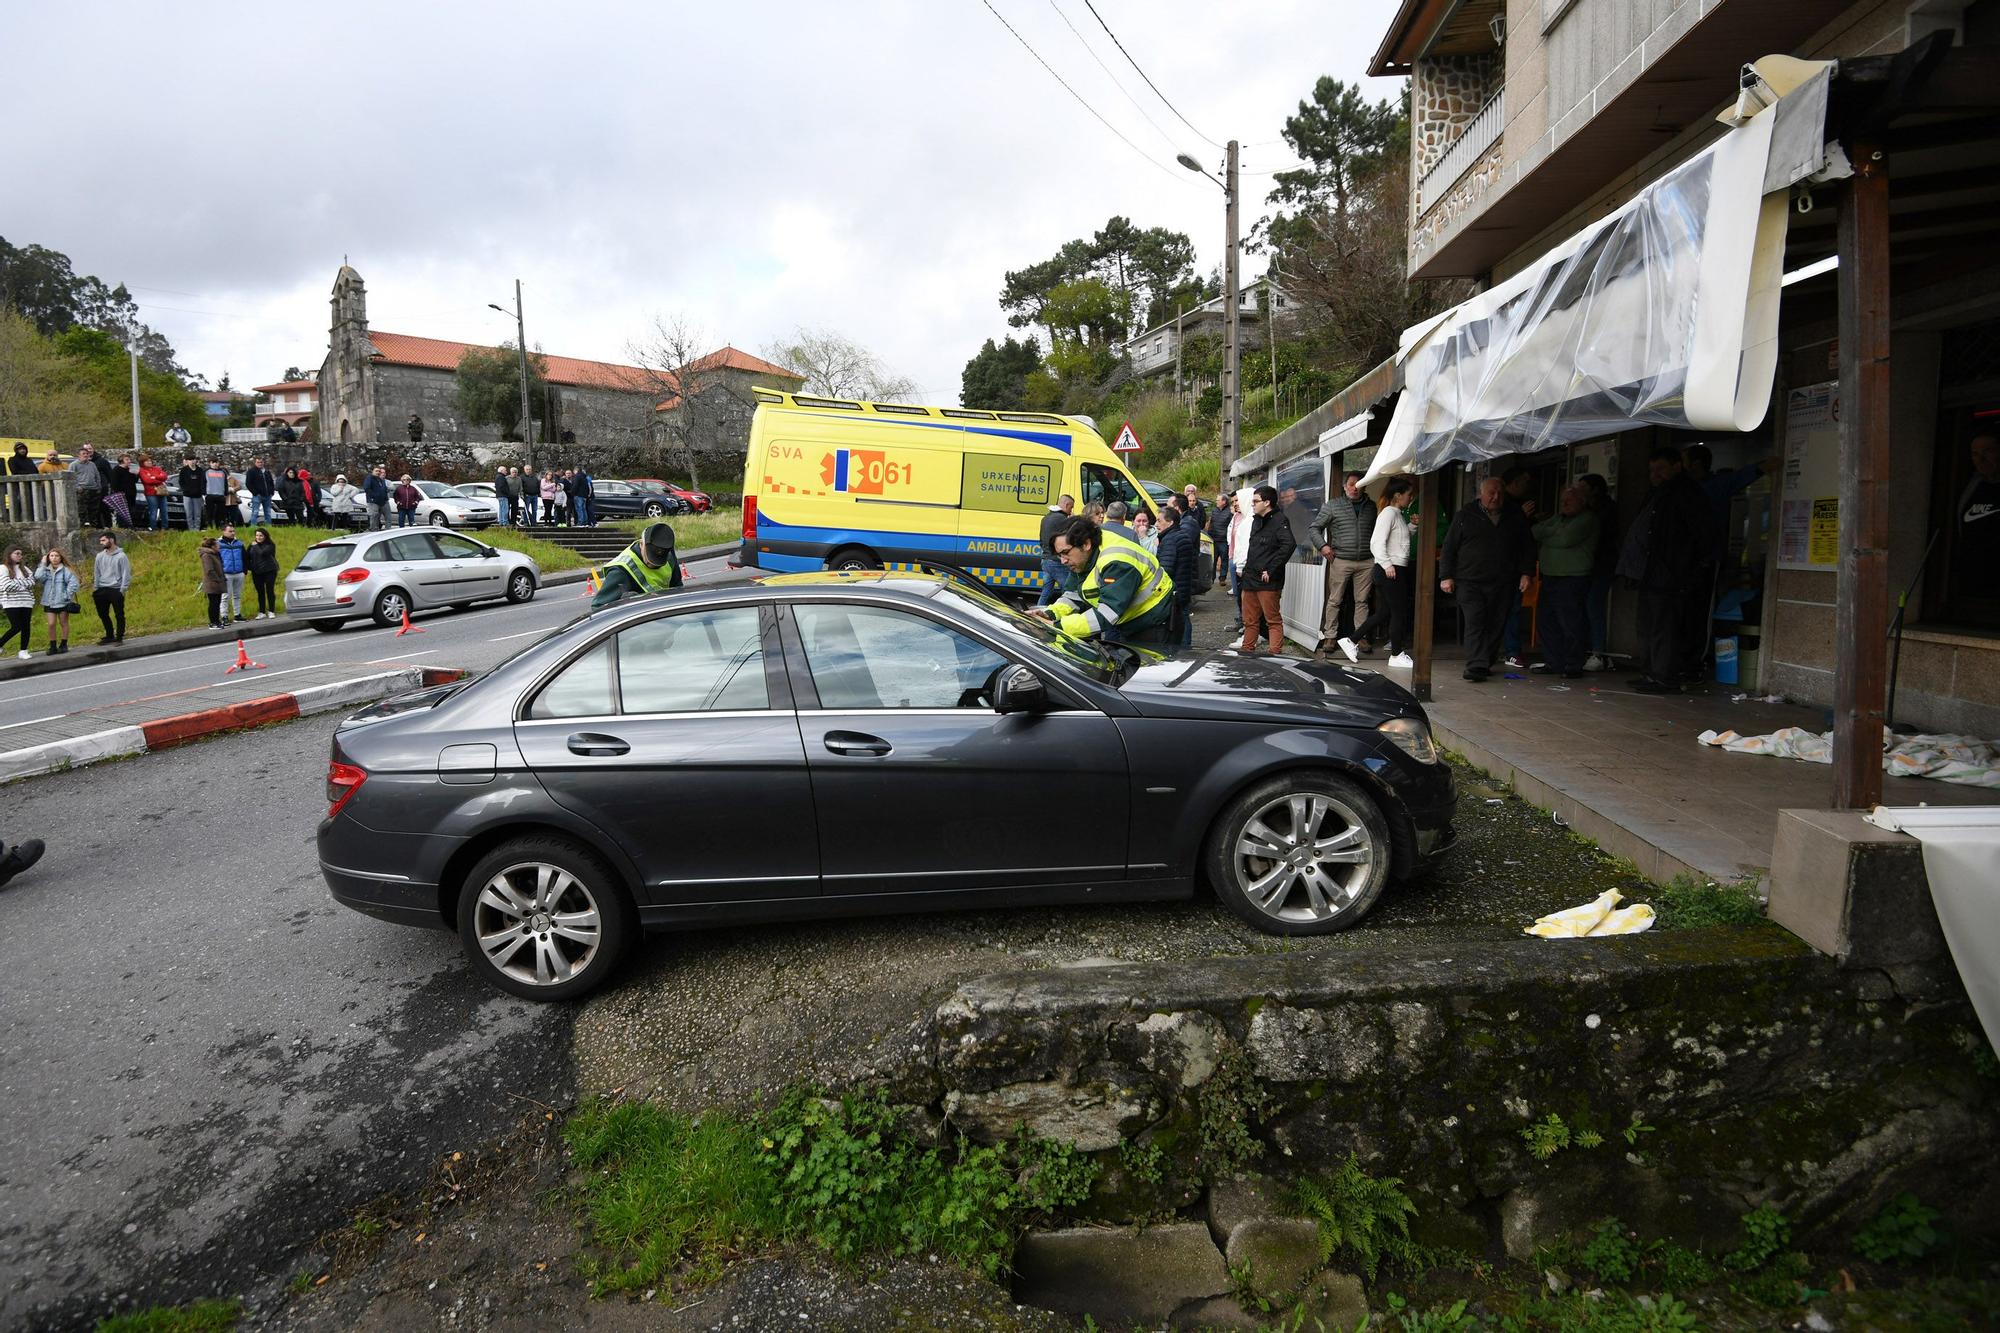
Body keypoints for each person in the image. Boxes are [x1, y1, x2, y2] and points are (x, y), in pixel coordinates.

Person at [1616, 444, 1714, 694]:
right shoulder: (1657, 493)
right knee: (1647, 626)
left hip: (1671, 575)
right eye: (1652, 470)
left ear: (1676, 466)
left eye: (1661, 469)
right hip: (1650, 572)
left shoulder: (1687, 493)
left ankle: (1665, 677)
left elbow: (1701, 537)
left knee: (1664, 628)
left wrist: (1690, 571)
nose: (1655, 475)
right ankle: (1650, 673)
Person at [1684, 443, 1776, 677]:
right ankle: (1688, 656)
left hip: (1707, 559)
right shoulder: (1688, 488)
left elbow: (1746, 475)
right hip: (1687, 560)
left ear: (1694, 464)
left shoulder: (1715, 486)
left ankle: (1698, 659)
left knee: (1703, 610)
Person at [1439, 476, 1534, 682]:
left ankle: (1485, 660)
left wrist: (1527, 572)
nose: (1496, 497)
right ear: (1481, 494)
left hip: (1504, 580)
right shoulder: (1465, 515)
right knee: (1475, 620)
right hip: (1469, 580)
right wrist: (1446, 576)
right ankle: (1476, 665)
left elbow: (1527, 546)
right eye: (1491, 493)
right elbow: (1449, 547)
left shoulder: (1514, 514)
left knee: (1497, 622)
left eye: (1499, 492)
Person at [1034, 515, 1177, 647]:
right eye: (1059, 555)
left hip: (1155, 624)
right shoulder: (1083, 557)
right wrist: (1049, 614)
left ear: (1086, 544)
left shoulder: (1116, 561)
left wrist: (1056, 626)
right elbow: (1073, 595)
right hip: (1134, 622)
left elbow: (1107, 614)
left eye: (1065, 553)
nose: (1063, 561)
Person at [1530, 485, 1599, 679]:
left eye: (1570, 500)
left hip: (1573, 577)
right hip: (1550, 576)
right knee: (1546, 621)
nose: (1564, 504)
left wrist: (1549, 533)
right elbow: (1535, 531)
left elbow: (1565, 539)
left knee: (1571, 622)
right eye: (1562, 501)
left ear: (1582, 501)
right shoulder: (1559, 518)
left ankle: (1573, 663)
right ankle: (1554, 661)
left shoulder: (1587, 519)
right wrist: (1552, 530)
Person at [1351, 476, 1416, 668]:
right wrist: (1387, 565)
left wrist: (1412, 526)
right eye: (1408, 494)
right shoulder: (1389, 513)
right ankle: (1396, 654)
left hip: (1392, 568)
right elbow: (1376, 542)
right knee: (1398, 612)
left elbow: (1398, 541)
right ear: (1398, 495)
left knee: (1385, 612)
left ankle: (1350, 640)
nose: (1410, 498)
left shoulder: (1396, 513)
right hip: (1390, 569)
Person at [1312, 471, 1376, 659]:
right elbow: (1314, 528)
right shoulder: (1333, 506)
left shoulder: (1371, 507)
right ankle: (1330, 637)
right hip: (1341, 559)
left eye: (1358, 484)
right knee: (1335, 600)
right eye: (1351, 484)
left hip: (1366, 560)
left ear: (1364, 486)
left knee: (1362, 601)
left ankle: (1360, 636)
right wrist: (1323, 546)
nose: (1354, 488)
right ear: (1344, 486)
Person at [1239, 485, 1291, 654]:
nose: (1252, 504)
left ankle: (1275, 654)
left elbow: (1289, 545)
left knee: (1272, 620)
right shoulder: (1256, 520)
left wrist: (1271, 569)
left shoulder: (1280, 520)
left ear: (1267, 502)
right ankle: (1247, 651)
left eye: (1256, 501)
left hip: (1268, 580)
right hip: (1250, 578)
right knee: (1249, 620)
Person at [1498, 465, 1539, 668]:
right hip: (1497, 569)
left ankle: (1511, 651)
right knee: (1503, 610)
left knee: (1512, 609)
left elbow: (1527, 544)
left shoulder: (1516, 508)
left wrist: (1526, 572)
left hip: (1513, 570)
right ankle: (1506, 650)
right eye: (1524, 482)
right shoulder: (1507, 509)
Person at [590, 521, 684, 609]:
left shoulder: (669, 556)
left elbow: (678, 588)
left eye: (659, 561)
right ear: (641, 544)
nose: (653, 565)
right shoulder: (621, 570)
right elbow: (598, 607)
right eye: (649, 560)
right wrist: (627, 604)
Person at [1578, 473, 1618, 672]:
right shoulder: (1587, 511)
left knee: (1594, 606)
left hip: (1601, 566)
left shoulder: (1605, 511)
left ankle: (1598, 652)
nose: (1579, 491)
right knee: (1585, 606)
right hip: (1586, 566)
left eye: (1583, 487)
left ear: (1595, 490)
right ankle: (1588, 649)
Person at [1957, 432, 2000, 597]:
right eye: (1975, 453)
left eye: (1988, 451)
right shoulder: (1971, 486)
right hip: (1971, 579)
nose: (1980, 459)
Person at [1154, 502, 1197, 648]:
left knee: (1180, 622)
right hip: (1182, 588)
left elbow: (1166, 569)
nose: (1156, 524)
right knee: (1183, 618)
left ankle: (1184, 652)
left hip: (1175, 590)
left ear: (1170, 522)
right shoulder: (1179, 536)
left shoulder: (1171, 539)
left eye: (1159, 521)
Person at [35, 547, 79, 656]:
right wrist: (43, 563)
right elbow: (38, 577)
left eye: (57, 556)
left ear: (61, 557)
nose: (54, 558)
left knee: (63, 623)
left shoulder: (66, 570)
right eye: (51, 556)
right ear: (48, 558)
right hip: (49, 602)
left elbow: (74, 584)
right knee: (51, 624)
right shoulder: (45, 570)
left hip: (63, 601)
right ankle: (53, 646)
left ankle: (63, 645)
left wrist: (66, 595)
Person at [91, 531, 131, 643]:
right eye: (100, 541)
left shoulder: (121, 556)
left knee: (119, 614)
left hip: (116, 589)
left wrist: (122, 590)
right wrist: (96, 588)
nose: (101, 543)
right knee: (103, 614)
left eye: (103, 540)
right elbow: (96, 572)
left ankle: (119, 636)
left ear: (111, 540)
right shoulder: (99, 556)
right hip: (102, 589)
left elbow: (126, 574)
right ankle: (109, 635)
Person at [1037, 493, 1075, 607]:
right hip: (1056, 561)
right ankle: (1067, 612)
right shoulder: (1062, 519)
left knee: (1046, 592)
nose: (1071, 511)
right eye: (1071, 507)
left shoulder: (1046, 518)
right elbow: (1070, 538)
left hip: (1045, 559)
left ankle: (1036, 611)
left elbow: (1041, 539)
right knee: (1069, 590)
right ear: (1067, 504)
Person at [1, 547, 35, 658]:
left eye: (21, 554)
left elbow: (32, 582)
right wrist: (23, 585)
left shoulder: (25, 569)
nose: (20, 556)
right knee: (16, 626)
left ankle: (23, 651)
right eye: (17, 553)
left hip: (26, 602)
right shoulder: (3, 568)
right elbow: (7, 585)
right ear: (9, 554)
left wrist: (18, 584)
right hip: (11, 603)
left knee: (26, 627)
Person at [246, 526, 280, 619]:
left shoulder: (270, 545)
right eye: (257, 535)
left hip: (270, 570)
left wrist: (255, 545)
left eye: (261, 535)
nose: (258, 537)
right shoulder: (251, 545)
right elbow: (246, 557)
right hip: (257, 572)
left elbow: (262, 553)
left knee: (269, 590)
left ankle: (271, 610)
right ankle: (262, 612)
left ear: (265, 536)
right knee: (260, 592)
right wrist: (250, 567)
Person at [70, 444, 108, 527]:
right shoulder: (74, 465)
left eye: (87, 454)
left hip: (94, 489)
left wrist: (98, 486)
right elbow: (71, 477)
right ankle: (83, 527)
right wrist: (78, 487)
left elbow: (97, 475)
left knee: (94, 510)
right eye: (84, 454)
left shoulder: (92, 464)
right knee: (82, 510)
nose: (86, 455)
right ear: (79, 455)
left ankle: (93, 526)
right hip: (82, 490)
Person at [217, 523, 248, 622]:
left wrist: (244, 570)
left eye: (233, 531)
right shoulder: (218, 544)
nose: (233, 533)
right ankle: (224, 616)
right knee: (225, 596)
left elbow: (245, 557)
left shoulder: (239, 543)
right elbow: (216, 559)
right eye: (230, 531)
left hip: (239, 572)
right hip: (226, 573)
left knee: (237, 595)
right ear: (224, 531)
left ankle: (237, 615)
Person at [1280, 485, 1316, 564]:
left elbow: (1309, 523)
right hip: (1294, 542)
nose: (1288, 498)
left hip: (1299, 542)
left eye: (1291, 496)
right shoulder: (1287, 508)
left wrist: (1302, 539)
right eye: (1287, 496)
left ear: (1295, 496)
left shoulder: (1299, 508)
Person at [196, 537, 226, 629]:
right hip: (212, 583)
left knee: (217, 603)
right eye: (217, 545)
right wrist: (217, 579)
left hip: (217, 582)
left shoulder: (215, 554)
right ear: (212, 546)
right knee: (213, 603)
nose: (219, 547)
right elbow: (209, 570)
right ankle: (213, 622)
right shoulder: (207, 555)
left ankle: (217, 621)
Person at [105, 455, 138, 528]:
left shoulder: (129, 470)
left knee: (131, 512)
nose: (129, 461)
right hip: (122, 495)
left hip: (131, 494)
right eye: (127, 459)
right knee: (122, 513)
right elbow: (114, 484)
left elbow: (134, 481)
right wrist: (120, 493)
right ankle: (122, 527)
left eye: (129, 459)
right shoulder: (116, 470)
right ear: (121, 461)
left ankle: (130, 527)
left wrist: (136, 475)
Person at [1208, 491, 1233, 587]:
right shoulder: (1214, 510)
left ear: (1224, 501)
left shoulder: (1229, 512)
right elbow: (1211, 523)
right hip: (1213, 540)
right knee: (1213, 561)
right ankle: (1212, 578)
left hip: (1224, 541)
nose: (1216, 501)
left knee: (1224, 560)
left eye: (1218, 500)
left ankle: (1222, 578)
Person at [138, 455, 169, 529]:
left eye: (150, 460)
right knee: (153, 511)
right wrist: (159, 479)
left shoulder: (156, 468)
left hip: (161, 491)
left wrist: (154, 477)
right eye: (147, 461)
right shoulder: (142, 470)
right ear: (143, 463)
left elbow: (164, 476)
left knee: (164, 510)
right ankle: (153, 527)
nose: (149, 462)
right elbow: (147, 480)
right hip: (150, 493)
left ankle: (165, 527)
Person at [244, 456, 275, 525]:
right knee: (255, 512)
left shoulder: (266, 472)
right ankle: (253, 527)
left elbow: (271, 482)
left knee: (268, 512)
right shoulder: (251, 471)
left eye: (261, 462)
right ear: (255, 463)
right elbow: (248, 483)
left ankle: (269, 527)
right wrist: (255, 493)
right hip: (257, 496)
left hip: (267, 495)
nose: (260, 464)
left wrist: (271, 492)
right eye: (258, 462)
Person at [176, 456, 204, 530]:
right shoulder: (184, 470)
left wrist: (201, 490)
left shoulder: (200, 470)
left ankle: (197, 529)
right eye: (190, 460)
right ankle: (191, 529)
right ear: (187, 461)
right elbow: (181, 482)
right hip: (187, 495)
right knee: (189, 513)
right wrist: (185, 490)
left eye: (193, 460)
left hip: (198, 495)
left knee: (197, 514)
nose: (192, 461)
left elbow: (203, 482)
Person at [202, 457, 230, 528]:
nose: (215, 464)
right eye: (213, 462)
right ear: (210, 463)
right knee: (209, 512)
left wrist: (226, 493)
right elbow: (203, 483)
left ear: (218, 463)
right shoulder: (206, 472)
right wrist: (204, 493)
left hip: (220, 495)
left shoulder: (223, 472)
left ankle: (219, 526)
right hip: (210, 494)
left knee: (220, 513)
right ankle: (210, 526)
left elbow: (225, 483)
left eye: (216, 462)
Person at [363, 465, 391, 530]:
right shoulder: (369, 478)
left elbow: (383, 489)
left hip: (383, 501)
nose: (378, 472)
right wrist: (374, 496)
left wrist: (385, 496)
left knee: (387, 516)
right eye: (376, 471)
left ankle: (388, 530)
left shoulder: (380, 479)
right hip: (373, 501)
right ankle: (373, 529)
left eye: (379, 471)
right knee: (374, 516)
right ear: (372, 471)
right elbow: (367, 488)